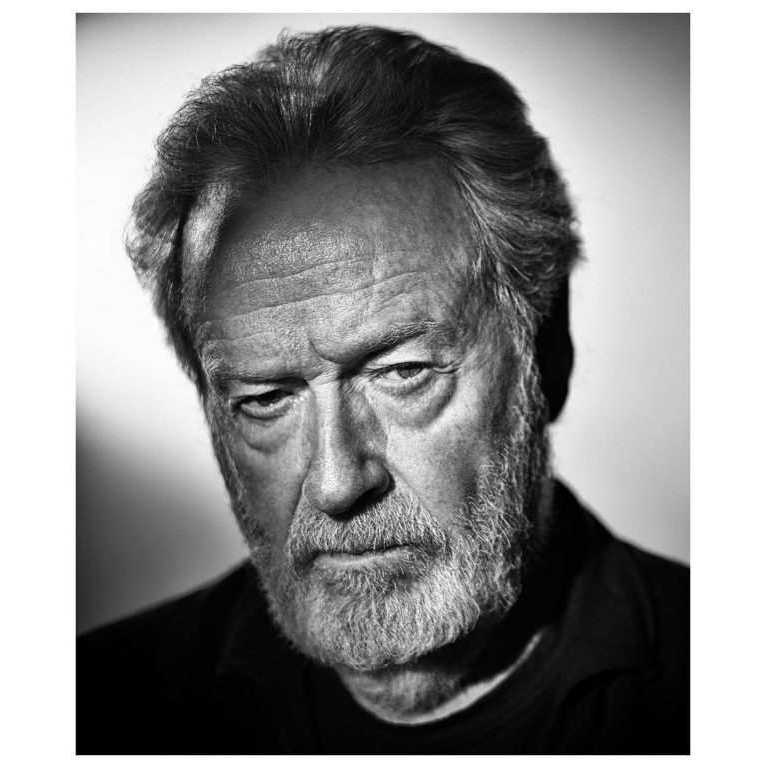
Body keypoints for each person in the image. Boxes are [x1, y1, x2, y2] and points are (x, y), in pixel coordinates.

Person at [76, 25, 689, 754]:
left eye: (403, 374)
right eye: (265, 399)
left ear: (546, 355)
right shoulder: (91, 712)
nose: (338, 483)